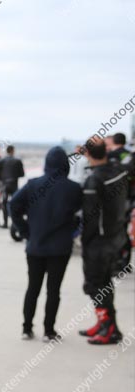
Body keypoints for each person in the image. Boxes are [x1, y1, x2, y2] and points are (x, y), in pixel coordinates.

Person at [9, 147, 82, 341]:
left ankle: (26, 329)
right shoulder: (74, 188)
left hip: (36, 246)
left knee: (33, 288)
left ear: (46, 164)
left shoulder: (33, 185)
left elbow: (13, 205)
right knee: (53, 290)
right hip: (61, 248)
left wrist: (25, 231)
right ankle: (49, 331)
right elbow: (87, 214)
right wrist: (74, 230)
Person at [78, 136, 130, 345]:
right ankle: (108, 325)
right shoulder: (118, 170)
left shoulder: (95, 180)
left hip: (99, 241)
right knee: (105, 284)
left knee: (94, 285)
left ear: (87, 154)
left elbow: (90, 218)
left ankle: (107, 328)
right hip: (117, 236)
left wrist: (85, 241)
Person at [0, 145, 25, 229]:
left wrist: (3, 179)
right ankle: (15, 224)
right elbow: (22, 174)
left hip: (4, 185)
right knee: (15, 204)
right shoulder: (17, 161)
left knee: (4, 204)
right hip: (14, 185)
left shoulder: (1, 161)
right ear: (12, 151)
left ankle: (5, 223)